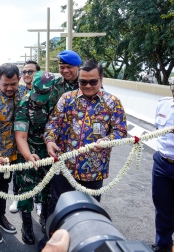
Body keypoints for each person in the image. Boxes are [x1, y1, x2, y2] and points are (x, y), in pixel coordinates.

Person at [43, 59, 127, 250]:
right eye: (83, 82)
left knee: (88, 212)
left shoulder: (112, 103)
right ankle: (53, 244)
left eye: (93, 82)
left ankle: (83, 245)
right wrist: (50, 141)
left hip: (94, 171)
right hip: (64, 168)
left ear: (101, 79)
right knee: (57, 209)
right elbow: (53, 124)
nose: (88, 86)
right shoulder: (67, 99)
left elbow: (121, 131)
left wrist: (108, 140)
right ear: (78, 80)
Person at [14, 50, 82, 247]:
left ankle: (45, 218)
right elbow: (21, 135)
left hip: (51, 151)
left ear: (53, 89)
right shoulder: (25, 104)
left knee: (47, 190)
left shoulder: (58, 100)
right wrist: (28, 156)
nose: (39, 99)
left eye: (44, 95)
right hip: (29, 152)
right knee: (26, 190)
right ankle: (26, 224)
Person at [0, 63, 26, 243]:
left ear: (19, 80)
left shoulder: (23, 93)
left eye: (13, 84)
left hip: (13, 155)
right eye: (5, 85)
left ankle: (1, 217)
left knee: (4, 189)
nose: (10, 88)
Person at [9, 60, 40, 214]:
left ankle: (39, 201)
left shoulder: (45, 91)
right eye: (24, 72)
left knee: (40, 172)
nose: (27, 75)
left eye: (30, 72)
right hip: (19, 137)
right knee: (19, 172)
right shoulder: (17, 91)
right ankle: (17, 197)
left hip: (38, 140)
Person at [150, 84, 174, 252]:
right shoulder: (163, 103)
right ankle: (163, 245)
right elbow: (158, 130)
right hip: (162, 162)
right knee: (162, 207)